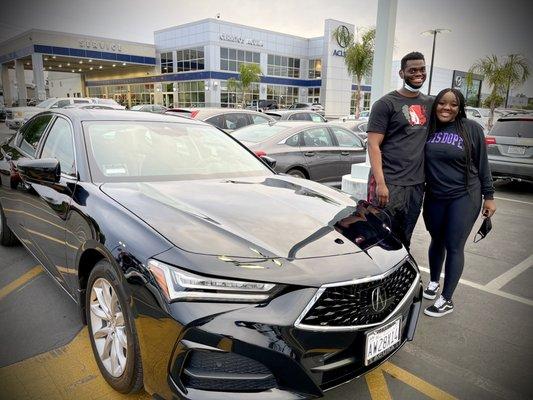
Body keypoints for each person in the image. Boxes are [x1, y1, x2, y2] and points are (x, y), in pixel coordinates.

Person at [423, 88, 496, 317]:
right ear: (435, 105)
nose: (447, 108)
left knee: (454, 245)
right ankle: (434, 281)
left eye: (453, 104)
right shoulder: (429, 129)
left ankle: (447, 299)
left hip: (464, 195)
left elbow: (483, 164)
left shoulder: (471, 128)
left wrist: (489, 196)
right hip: (435, 195)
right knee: (437, 239)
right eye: (442, 103)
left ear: (460, 107)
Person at [367, 52, 434, 250]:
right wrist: (380, 183)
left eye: (422, 69)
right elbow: (373, 145)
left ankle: (400, 278)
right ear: (402, 72)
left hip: (415, 185)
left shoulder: (430, 104)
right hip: (389, 183)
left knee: (405, 236)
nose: (418, 73)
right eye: (412, 70)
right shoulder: (386, 104)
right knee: (379, 235)